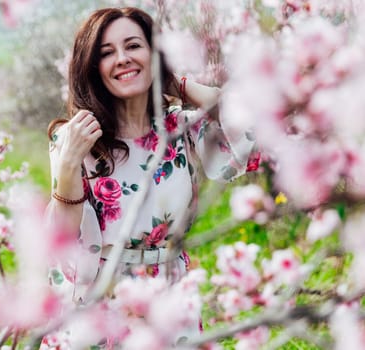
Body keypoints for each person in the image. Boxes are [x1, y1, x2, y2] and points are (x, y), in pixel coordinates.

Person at [44, 6, 256, 346]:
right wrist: (68, 165)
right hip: (103, 296)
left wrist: (180, 84)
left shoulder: (179, 127)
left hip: (170, 290)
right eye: (107, 53)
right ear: (93, 67)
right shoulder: (75, 138)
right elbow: (62, 242)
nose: (123, 58)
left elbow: (243, 148)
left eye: (133, 46)